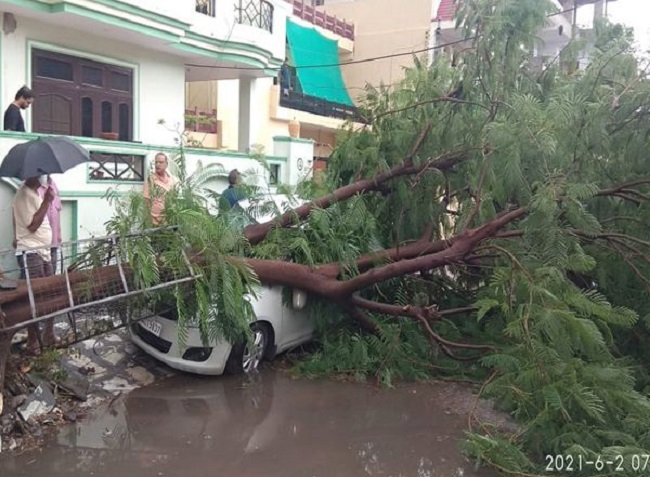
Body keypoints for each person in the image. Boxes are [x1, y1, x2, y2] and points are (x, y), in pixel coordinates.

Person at [13, 175, 56, 352]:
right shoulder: (23, 194)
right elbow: (32, 226)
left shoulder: (32, 193)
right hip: (31, 252)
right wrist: (47, 201)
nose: (42, 177)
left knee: (50, 293)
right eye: (39, 173)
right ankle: (33, 341)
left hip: (42, 251)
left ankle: (48, 334)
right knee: (34, 297)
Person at [143, 152, 178, 225]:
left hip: (169, 219)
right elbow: (146, 201)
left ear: (166, 164)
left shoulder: (172, 180)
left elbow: (175, 199)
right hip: (155, 221)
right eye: (156, 162)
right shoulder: (151, 180)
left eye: (161, 162)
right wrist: (149, 220)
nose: (158, 165)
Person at [38, 176, 62, 274]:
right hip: (39, 242)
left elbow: (58, 211)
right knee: (38, 274)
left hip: (53, 239)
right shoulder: (31, 187)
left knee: (52, 272)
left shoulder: (53, 185)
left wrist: (59, 234)